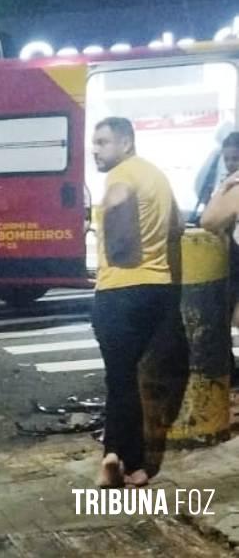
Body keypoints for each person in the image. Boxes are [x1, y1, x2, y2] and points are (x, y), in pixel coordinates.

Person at [90, 116, 182, 488]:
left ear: (126, 143)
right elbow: (175, 225)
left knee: (120, 380)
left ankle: (115, 456)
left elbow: (119, 199)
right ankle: (140, 466)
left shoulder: (121, 175)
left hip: (119, 292)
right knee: (141, 380)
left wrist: (115, 239)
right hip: (159, 290)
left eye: (103, 142)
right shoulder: (157, 176)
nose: (95, 150)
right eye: (94, 143)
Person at [196, 132, 239, 380]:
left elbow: (209, 219)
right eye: (229, 159)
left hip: (234, 263)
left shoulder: (233, 188)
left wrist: (224, 186)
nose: (232, 164)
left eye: (236, 158)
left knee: (226, 317)